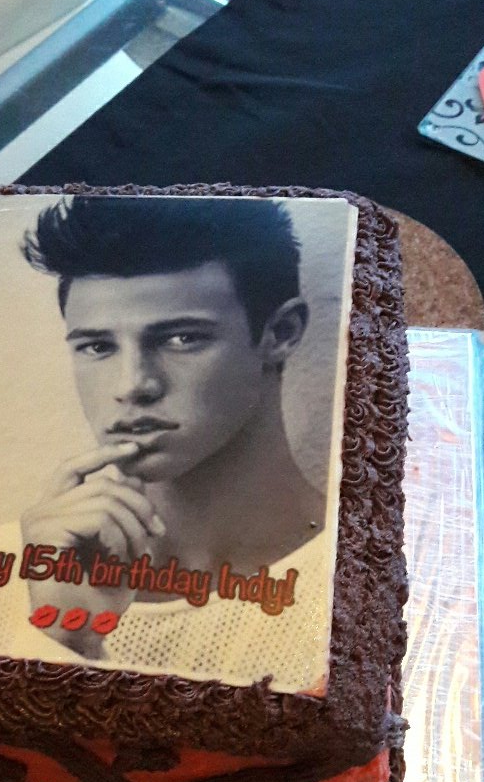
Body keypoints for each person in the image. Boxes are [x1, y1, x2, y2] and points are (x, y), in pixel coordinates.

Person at [18, 195, 325, 662]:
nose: (132, 385)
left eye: (182, 338)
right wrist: (67, 640)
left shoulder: (359, 580)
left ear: (281, 333)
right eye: (98, 346)